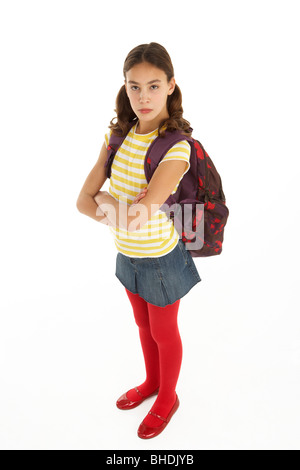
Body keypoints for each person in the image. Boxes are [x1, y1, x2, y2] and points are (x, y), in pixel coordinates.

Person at [76, 42, 201, 439]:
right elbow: (82, 202)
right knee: (142, 326)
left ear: (170, 86)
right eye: (134, 87)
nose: (142, 96)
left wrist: (110, 201)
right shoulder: (118, 134)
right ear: (124, 87)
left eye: (152, 85)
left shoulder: (176, 147)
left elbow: (137, 217)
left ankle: (168, 397)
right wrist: (119, 209)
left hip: (161, 260)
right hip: (127, 255)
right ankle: (151, 382)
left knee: (165, 332)